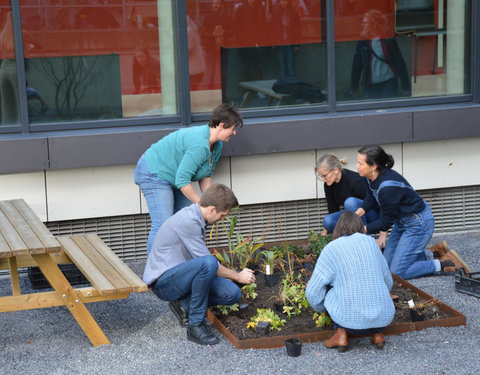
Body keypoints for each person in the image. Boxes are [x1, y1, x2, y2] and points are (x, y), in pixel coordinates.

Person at [143, 183, 255, 345]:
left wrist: (234, 279)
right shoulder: (189, 221)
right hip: (163, 283)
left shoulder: (198, 218)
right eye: (223, 215)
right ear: (211, 209)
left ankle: (183, 303)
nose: (223, 219)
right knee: (209, 262)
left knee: (232, 293)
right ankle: (195, 326)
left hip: (180, 277)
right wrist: (237, 275)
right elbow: (209, 265)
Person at [134, 104, 243, 255]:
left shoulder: (216, 145)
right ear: (222, 126)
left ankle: (182, 264)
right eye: (233, 128)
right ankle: (153, 273)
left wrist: (211, 202)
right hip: (153, 172)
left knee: (190, 219)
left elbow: (205, 175)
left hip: (174, 176)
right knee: (163, 223)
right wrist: (201, 204)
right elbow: (182, 180)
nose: (235, 132)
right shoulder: (199, 144)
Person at [354, 145, 471, 280]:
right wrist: (355, 216)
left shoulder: (388, 187)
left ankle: (444, 264)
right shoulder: (368, 177)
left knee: (397, 274)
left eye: (360, 163)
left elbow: (385, 222)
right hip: (402, 222)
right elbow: (370, 198)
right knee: (385, 267)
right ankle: (431, 253)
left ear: (373, 166)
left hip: (418, 224)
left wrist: (360, 229)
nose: (356, 166)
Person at [306, 212, 395, 352]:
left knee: (330, 286)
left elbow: (313, 291)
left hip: (347, 321)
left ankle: (341, 334)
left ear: (338, 228)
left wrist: (322, 308)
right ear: (360, 226)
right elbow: (388, 281)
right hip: (383, 318)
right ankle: (377, 334)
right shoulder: (372, 243)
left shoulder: (332, 248)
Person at [316, 153, 382, 236]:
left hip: (374, 217)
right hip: (353, 216)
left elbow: (380, 205)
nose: (323, 179)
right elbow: (333, 210)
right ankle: (350, 238)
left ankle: (363, 238)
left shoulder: (355, 181)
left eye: (324, 175)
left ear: (335, 170)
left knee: (350, 203)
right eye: (321, 176)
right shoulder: (328, 185)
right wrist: (324, 234)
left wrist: (383, 235)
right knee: (327, 221)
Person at [350, 9, 411, 100]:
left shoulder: (387, 38)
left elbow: (399, 62)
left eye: (366, 23)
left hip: (388, 82)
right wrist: (354, 88)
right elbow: (357, 66)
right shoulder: (362, 41)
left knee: (389, 109)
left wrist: (405, 86)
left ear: (374, 24)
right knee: (372, 111)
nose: (362, 25)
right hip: (370, 84)